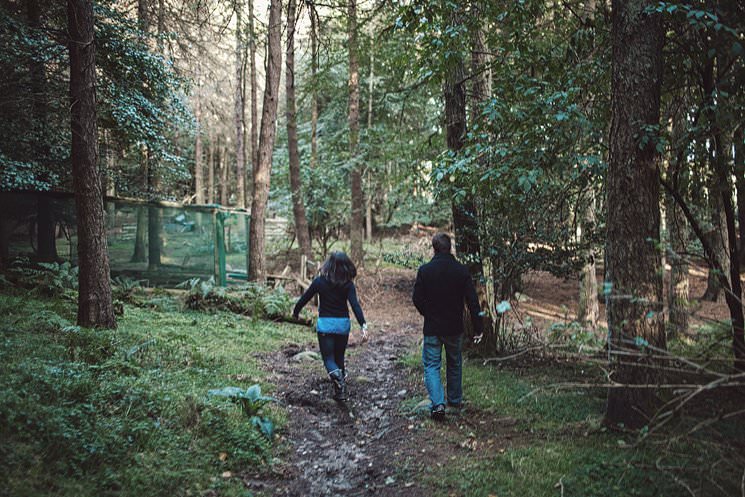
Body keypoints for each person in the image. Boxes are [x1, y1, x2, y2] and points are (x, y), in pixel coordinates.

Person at [412, 233, 483, 420]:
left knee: (432, 365)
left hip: (433, 327)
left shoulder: (425, 270)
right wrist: (479, 327)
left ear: (434, 248)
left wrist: (428, 313)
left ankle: (437, 404)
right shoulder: (461, 271)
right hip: (454, 327)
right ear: (450, 247)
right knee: (454, 363)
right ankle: (454, 400)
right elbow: (472, 301)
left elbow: (417, 299)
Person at [293, 251, 368, 401]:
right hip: (343, 325)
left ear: (329, 264)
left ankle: (338, 381)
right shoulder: (348, 284)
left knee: (328, 358)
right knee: (339, 357)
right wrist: (363, 325)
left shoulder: (320, 281)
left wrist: (296, 312)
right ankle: (340, 390)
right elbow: (355, 306)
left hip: (326, 325)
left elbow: (304, 298)